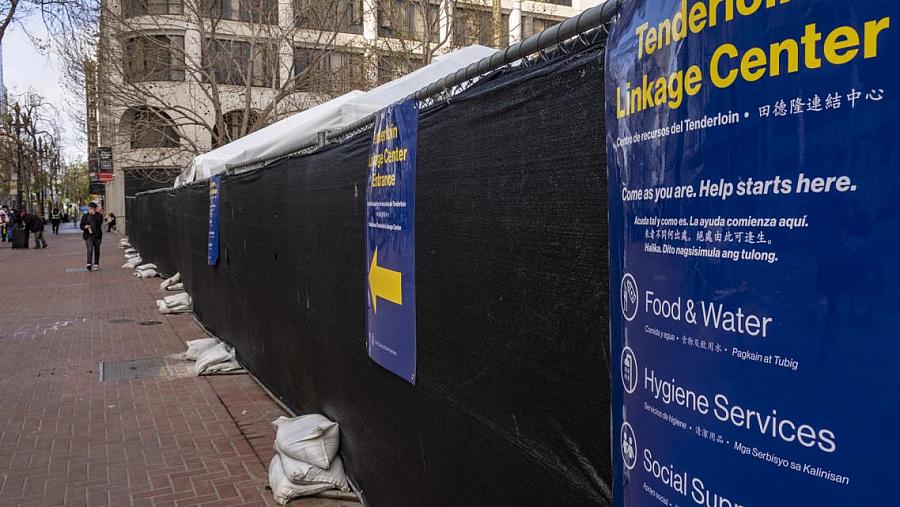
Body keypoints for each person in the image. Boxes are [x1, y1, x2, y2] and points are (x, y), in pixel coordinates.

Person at [80, 202, 103, 270]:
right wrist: (85, 226)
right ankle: (89, 264)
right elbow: (81, 226)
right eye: (89, 208)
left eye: (92, 208)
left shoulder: (99, 215)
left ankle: (96, 263)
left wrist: (93, 215)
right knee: (89, 249)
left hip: (97, 235)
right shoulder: (85, 216)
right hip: (88, 235)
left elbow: (99, 223)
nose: (91, 209)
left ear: (95, 209)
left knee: (97, 250)